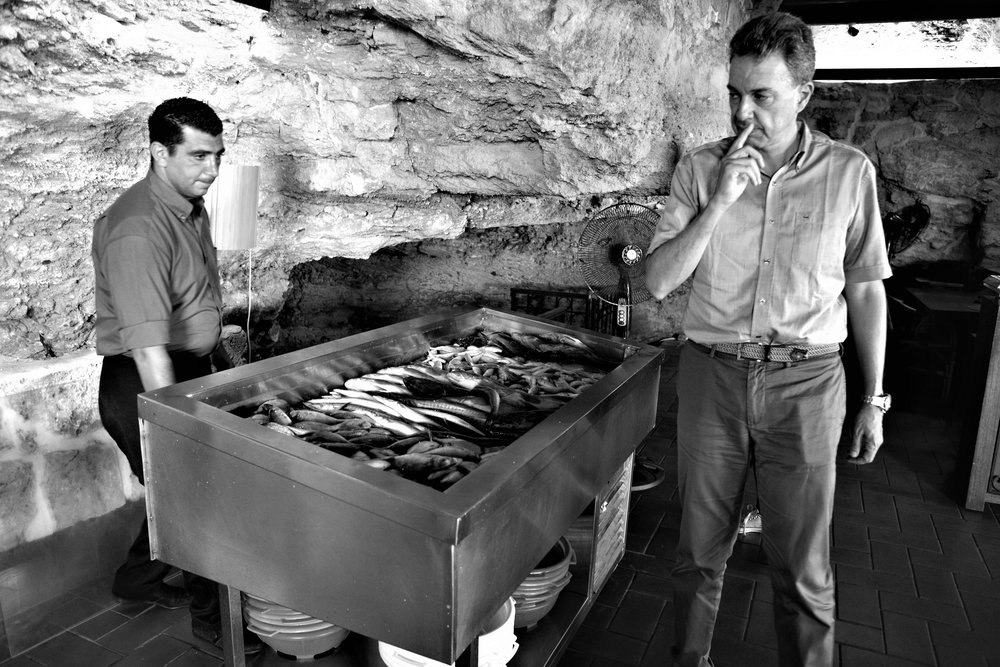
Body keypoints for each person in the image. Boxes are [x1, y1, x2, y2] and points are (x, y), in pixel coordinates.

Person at [645, 13, 891, 667]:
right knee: (698, 553)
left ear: (804, 94)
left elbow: (867, 288)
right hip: (711, 375)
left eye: (762, 95)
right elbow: (660, 281)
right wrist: (720, 202)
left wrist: (875, 397)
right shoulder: (700, 170)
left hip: (809, 382)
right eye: (733, 93)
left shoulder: (849, 173)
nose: (742, 112)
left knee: (804, 569)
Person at [92, 97, 263, 656]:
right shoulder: (138, 228)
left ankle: (136, 580)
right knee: (194, 497)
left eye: (217, 155)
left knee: (171, 491)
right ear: (158, 154)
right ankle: (214, 625)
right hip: (144, 380)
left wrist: (214, 356)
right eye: (197, 156)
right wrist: (175, 427)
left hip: (185, 369)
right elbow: (147, 349)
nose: (212, 170)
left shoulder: (192, 206)